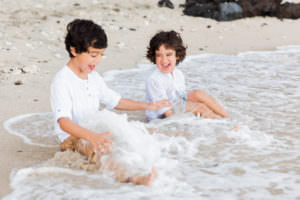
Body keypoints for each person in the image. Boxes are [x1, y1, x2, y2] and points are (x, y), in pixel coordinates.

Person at [50, 19, 171, 186]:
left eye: (101, 55)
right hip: (74, 137)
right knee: (103, 151)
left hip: (95, 129)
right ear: (74, 50)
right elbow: (63, 122)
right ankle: (134, 177)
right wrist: (93, 137)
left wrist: (148, 106)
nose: (98, 60)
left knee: (141, 132)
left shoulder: (93, 77)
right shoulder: (62, 80)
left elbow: (115, 101)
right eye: (93, 55)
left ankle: (171, 154)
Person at [145, 30, 230, 121]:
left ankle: (228, 118)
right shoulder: (154, 80)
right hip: (161, 117)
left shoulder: (178, 74)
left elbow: (181, 97)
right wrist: (192, 110)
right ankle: (222, 125)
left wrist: (192, 105)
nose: (164, 60)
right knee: (199, 107)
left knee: (198, 94)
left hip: (175, 104)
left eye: (168, 54)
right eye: (159, 55)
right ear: (154, 56)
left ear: (177, 55)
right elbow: (166, 112)